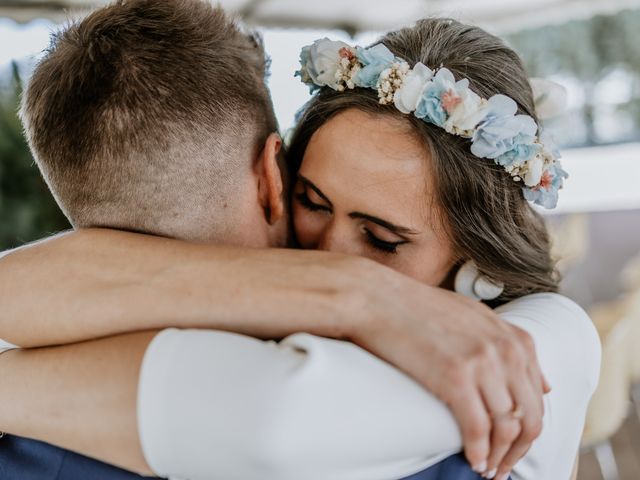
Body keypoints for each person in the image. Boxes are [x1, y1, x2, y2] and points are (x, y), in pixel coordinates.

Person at [0, 1, 600, 479]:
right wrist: (351, 292)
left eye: (382, 240)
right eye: (311, 202)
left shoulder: (546, 340)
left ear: (477, 258)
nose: (326, 255)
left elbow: (275, 416)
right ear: (277, 176)